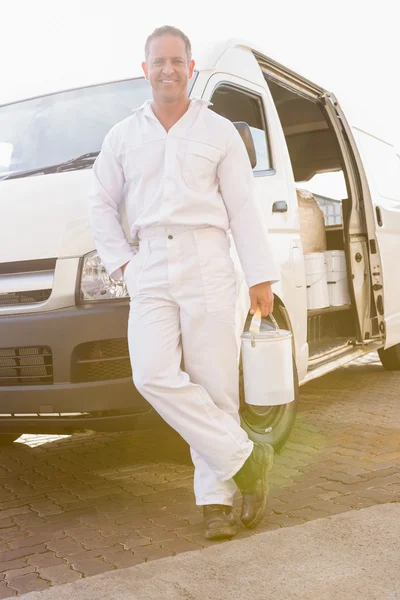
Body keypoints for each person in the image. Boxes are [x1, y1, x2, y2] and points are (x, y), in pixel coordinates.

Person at [89, 25, 279, 540]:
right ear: (144, 68)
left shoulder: (217, 130)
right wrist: (123, 264)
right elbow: (102, 204)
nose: (168, 69)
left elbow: (242, 206)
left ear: (190, 68)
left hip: (208, 258)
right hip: (148, 262)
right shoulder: (122, 135)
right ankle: (246, 457)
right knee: (152, 373)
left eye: (177, 61)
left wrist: (260, 276)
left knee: (214, 385)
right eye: (159, 61)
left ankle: (215, 503)